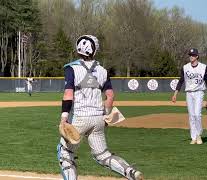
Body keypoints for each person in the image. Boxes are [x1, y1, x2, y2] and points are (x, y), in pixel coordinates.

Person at [57, 35, 143, 180]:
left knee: (65, 153)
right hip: (98, 119)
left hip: (80, 117)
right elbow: (110, 96)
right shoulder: (103, 70)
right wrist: (106, 117)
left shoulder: (71, 69)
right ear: (94, 51)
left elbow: (68, 94)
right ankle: (130, 171)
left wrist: (64, 117)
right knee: (102, 155)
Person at [171, 48, 207, 145]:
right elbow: (181, 81)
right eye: (190, 55)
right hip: (189, 93)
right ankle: (193, 137)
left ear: (197, 56)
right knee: (191, 115)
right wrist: (175, 94)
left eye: (193, 55)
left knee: (197, 115)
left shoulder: (203, 67)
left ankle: (199, 135)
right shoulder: (185, 67)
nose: (191, 56)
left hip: (199, 92)